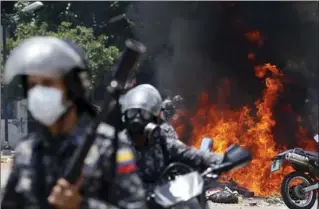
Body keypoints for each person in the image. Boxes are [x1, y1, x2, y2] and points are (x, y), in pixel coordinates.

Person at [1, 36, 146, 209]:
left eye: (48, 83)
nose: (38, 92)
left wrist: (82, 205)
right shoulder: (27, 150)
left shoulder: (109, 146)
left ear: (72, 88)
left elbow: (135, 206)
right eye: (32, 85)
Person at [120, 84, 224, 190]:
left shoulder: (161, 142)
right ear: (125, 117)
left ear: (155, 119)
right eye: (132, 113)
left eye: (144, 114)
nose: (137, 119)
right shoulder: (115, 145)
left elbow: (190, 154)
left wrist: (224, 159)